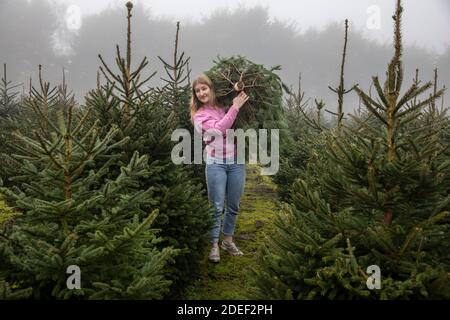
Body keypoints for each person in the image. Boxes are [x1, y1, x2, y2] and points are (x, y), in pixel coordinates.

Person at [191, 74, 249, 263]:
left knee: (233, 205)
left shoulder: (223, 105)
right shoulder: (199, 116)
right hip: (216, 163)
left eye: (204, 88)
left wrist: (238, 89)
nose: (201, 93)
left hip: (236, 161)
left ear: (211, 88)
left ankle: (227, 241)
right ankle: (214, 245)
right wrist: (235, 107)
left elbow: (241, 100)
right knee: (216, 206)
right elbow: (218, 130)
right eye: (198, 90)